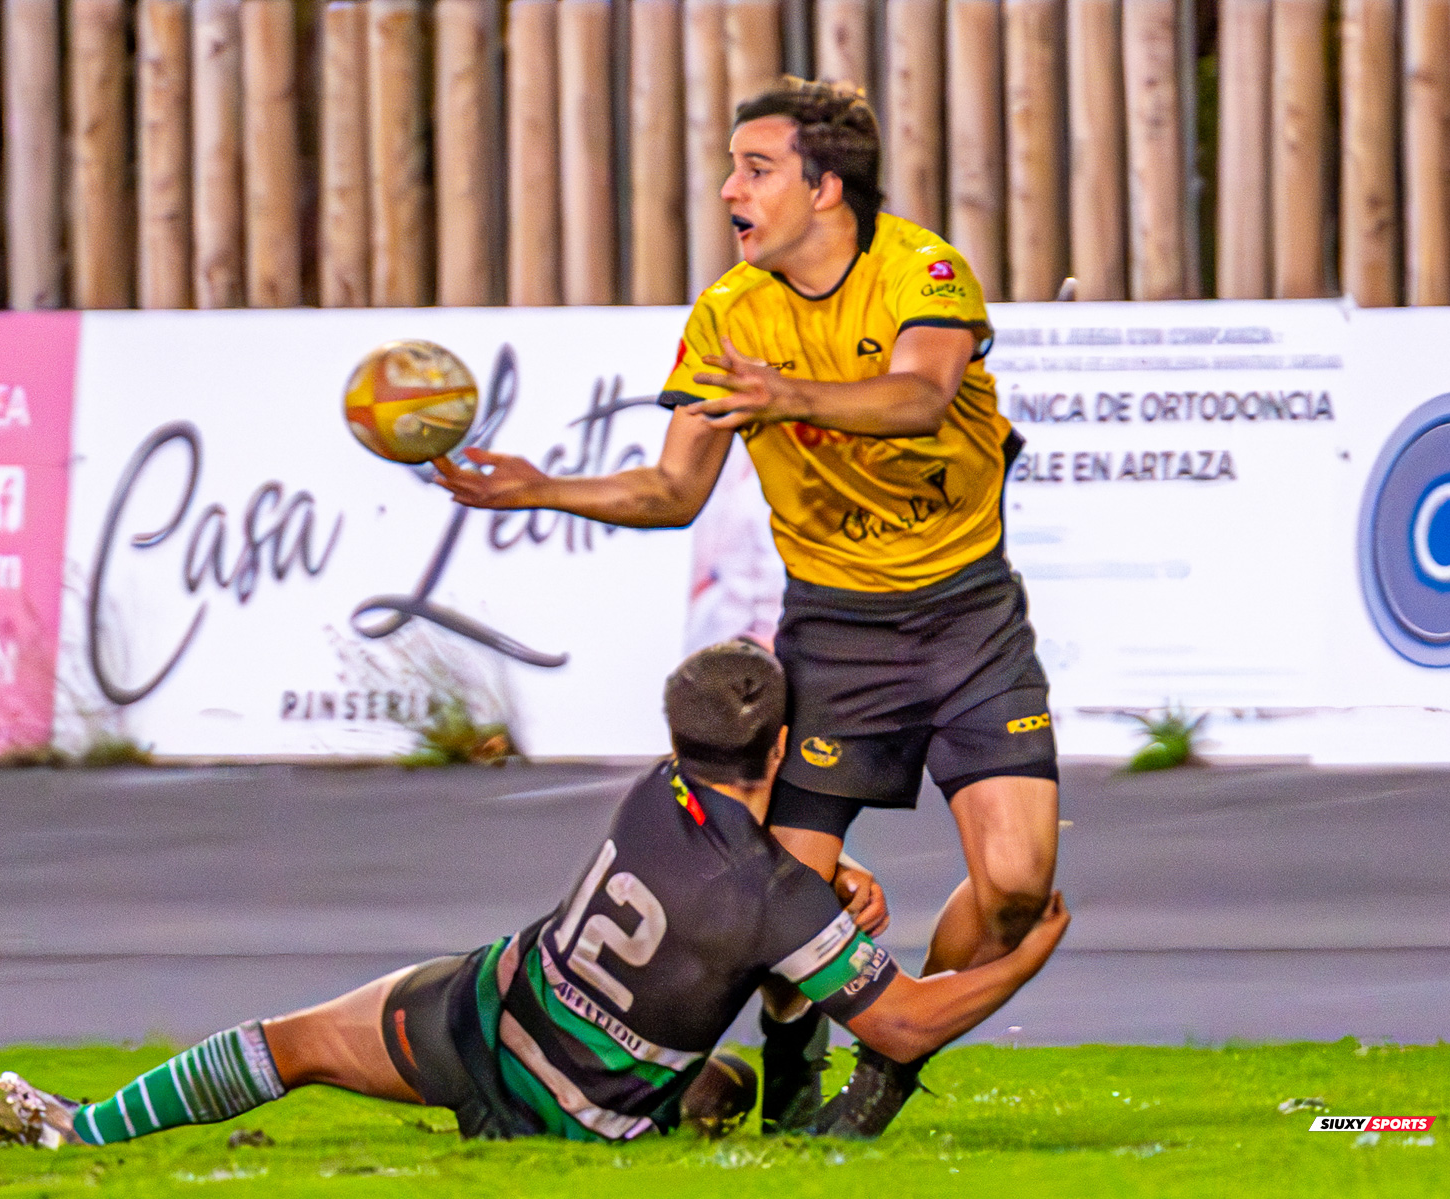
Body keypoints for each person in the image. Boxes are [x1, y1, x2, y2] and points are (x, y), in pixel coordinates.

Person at [431, 78, 1060, 1138]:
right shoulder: (731, 309)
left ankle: (888, 1065)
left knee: (1016, 883)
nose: (731, 189)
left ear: (826, 187)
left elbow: (919, 395)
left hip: (969, 619)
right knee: (778, 898)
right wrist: (540, 486)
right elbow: (673, 492)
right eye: (732, 167)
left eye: (756, 168)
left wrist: (790, 397)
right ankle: (791, 1063)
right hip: (837, 629)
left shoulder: (925, 270)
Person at [0, 642, 1068, 1149]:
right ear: (782, 747)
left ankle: (80, 1131)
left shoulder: (656, 791)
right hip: (581, 1111)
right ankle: (788, 1117)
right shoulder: (773, 895)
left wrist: (832, 889)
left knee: (295, 1041)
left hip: (487, 1014)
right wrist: (1020, 956)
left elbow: (766, 889)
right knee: (762, 1041)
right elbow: (910, 1018)